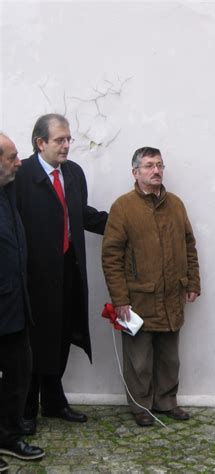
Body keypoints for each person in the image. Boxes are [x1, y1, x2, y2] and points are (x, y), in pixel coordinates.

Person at [14, 114, 108, 430]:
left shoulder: (73, 173)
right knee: (34, 342)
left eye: (68, 139)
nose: (67, 145)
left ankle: (54, 401)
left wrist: (120, 225)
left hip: (69, 270)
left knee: (62, 336)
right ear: (40, 143)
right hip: (34, 277)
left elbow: (81, 215)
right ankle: (26, 407)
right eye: (59, 140)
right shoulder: (22, 175)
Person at [102, 146, 200, 426]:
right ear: (135, 172)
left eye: (159, 165)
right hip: (138, 298)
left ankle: (166, 401)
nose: (156, 170)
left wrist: (192, 281)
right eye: (148, 166)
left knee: (170, 357)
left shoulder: (176, 204)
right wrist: (120, 299)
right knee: (139, 359)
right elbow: (111, 256)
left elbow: (189, 244)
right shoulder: (123, 207)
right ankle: (140, 406)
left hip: (171, 295)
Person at [0, 133, 45, 469]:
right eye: (12, 157)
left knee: (19, 373)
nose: (19, 162)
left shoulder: (8, 192)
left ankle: (9, 436)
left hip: (16, 305)